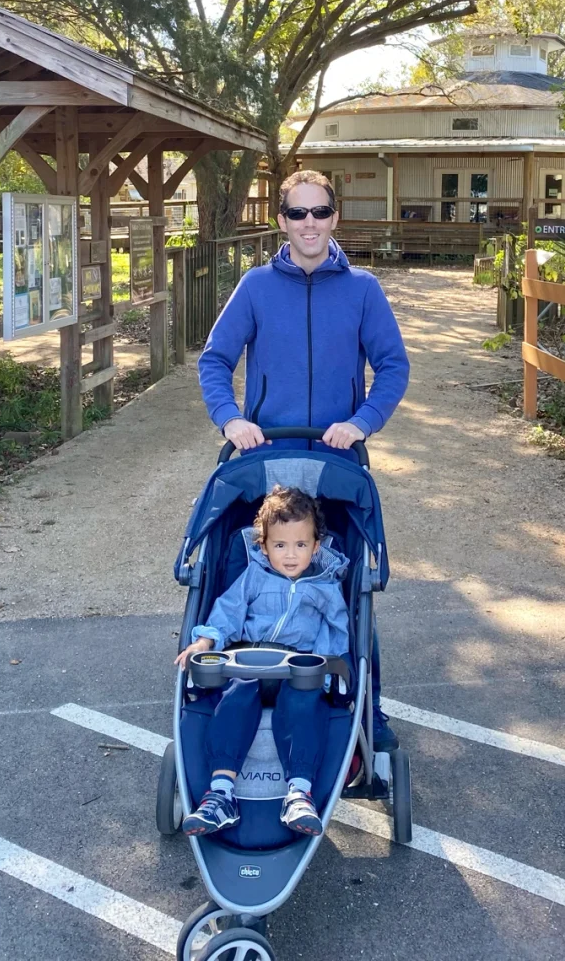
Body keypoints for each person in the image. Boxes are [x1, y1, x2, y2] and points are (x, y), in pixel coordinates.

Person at [197, 168, 409, 749]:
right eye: (298, 213)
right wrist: (232, 418)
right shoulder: (257, 286)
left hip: (336, 462)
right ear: (282, 220)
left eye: (320, 213)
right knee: (252, 576)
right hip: (267, 459)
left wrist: (361, 421)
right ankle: (235, 689)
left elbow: (392, 366)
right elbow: (214, 360)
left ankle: (367, 708)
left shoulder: (362, 289)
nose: (309, 224)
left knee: (348, 590)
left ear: (335, 218)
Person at [177, 485, 350, 838]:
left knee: (304, 704)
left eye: (301, 545)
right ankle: (220, 794)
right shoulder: (254, 576)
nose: (290, 555)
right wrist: (205, 641)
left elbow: (336, 630)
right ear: (264, 545)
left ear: (316, 546)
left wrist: (328, 671)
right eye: (280, 545)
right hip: (249, 662)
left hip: (298, 668)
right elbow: (228, 610)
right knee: (235, 698)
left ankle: (299, 793)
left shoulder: (325, 586)